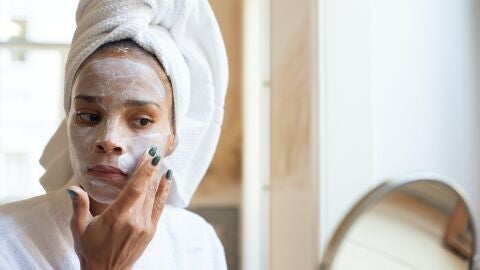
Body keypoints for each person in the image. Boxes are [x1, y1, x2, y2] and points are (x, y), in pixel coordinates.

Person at [0, 0, 229, 269]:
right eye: (89, 116)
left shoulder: (198, 243)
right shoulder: (7, 238)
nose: (109, 139)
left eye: (141, 120)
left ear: (172, 137)